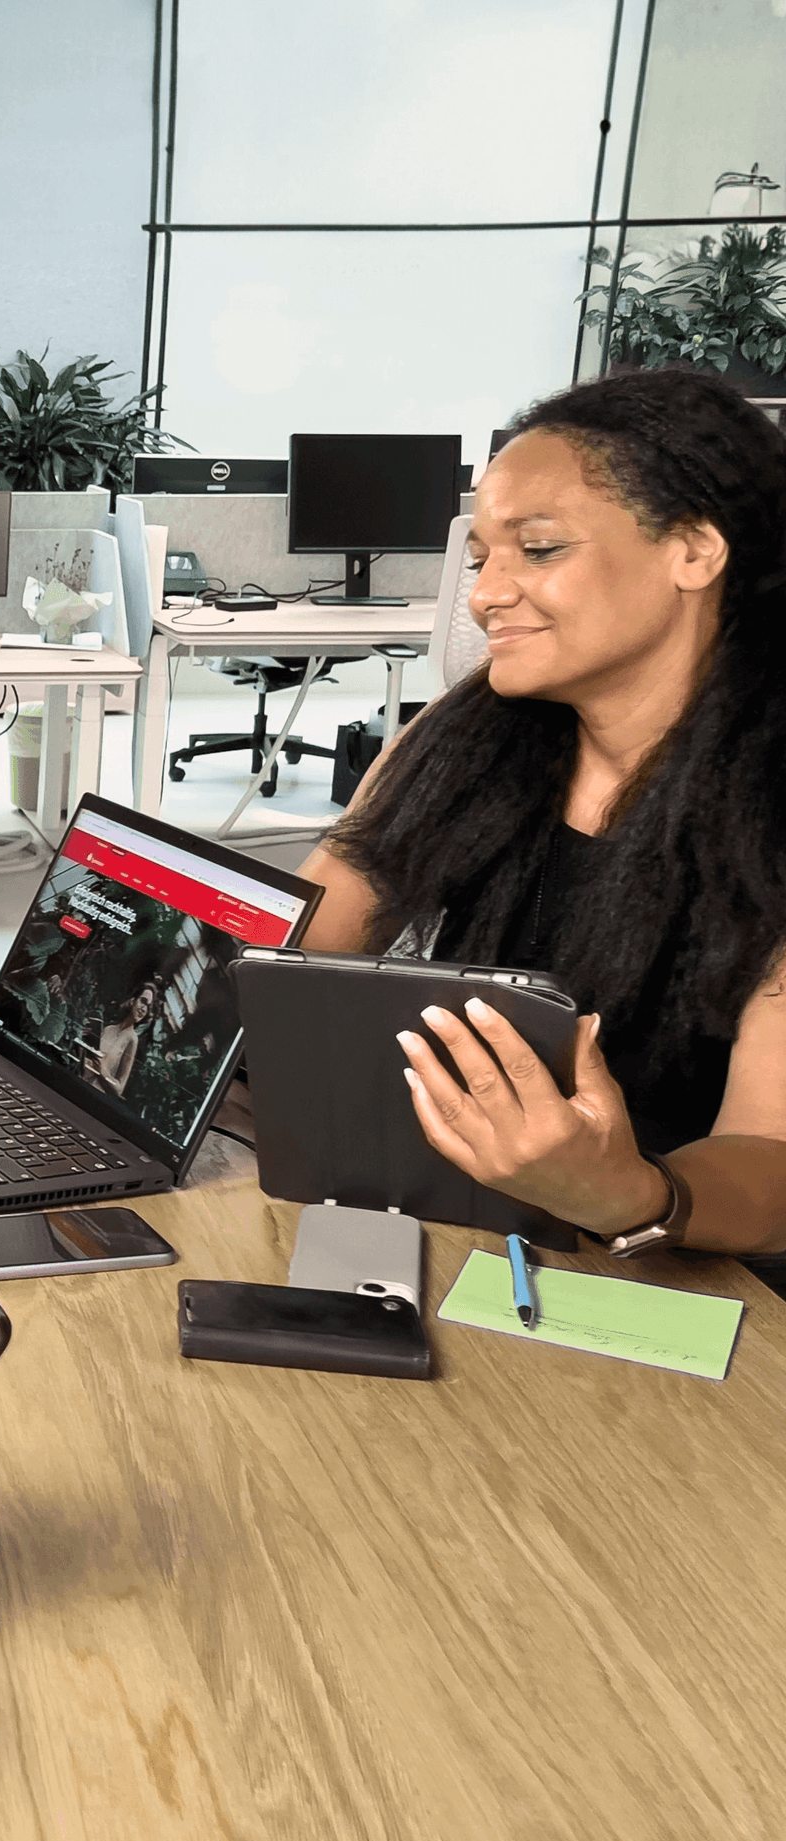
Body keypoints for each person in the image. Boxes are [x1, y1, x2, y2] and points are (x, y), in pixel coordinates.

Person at [299, 366, 786, 1280]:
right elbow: (296, 949)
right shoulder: (465, 736)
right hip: (475, 1226)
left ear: (694, 550)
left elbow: (773, 1155)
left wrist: (630, 1193)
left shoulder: (765, 805)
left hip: (692, 1276)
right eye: (482, 558)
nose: (486, 594)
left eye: (541, 549)